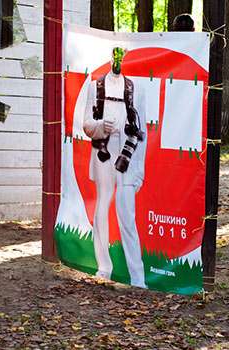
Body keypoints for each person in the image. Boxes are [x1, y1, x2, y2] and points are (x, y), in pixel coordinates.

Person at [83, 47, 147, 288]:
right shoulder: (95, 87)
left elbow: (142, 133)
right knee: (102, 208)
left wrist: (139, 169)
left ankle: (137, 275)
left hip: (127, 152)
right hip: (103, 151)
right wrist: (102, 126)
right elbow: (86, 124)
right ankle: (104, 267)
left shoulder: (135, 88)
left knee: (127, 213)